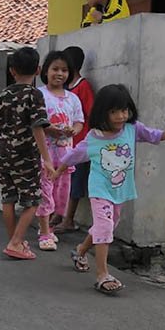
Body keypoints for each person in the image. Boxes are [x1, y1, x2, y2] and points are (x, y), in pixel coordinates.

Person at [52, 84, 165, 294]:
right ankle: (102, 274)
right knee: (104, 227)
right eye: (114, 111)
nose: (121, 116)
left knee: (107, 225)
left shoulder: (132, 129)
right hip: (100, 190)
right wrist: (56, 172)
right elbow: (72, 156)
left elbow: (153, 135)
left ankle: (81, 250)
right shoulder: (93, 138)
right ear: (103, 112)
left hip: (120, 190)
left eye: (124, 110)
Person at [0, 47, 55, 260]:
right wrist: (47, 159)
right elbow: (38, 127)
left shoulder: (3, 95)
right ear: (38, 70)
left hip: (3, 154)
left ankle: (15, 242)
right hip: (25, 156)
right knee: (33, 201)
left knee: (8, 198)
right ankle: (16, 242)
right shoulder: (34, 95)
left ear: (12, 71)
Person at [36, 50, 84, 251]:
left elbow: (79, 122)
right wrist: (50, 129)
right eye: (55, 69)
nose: (60, 74)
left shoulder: (73, 98)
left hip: (66, 156)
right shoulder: (39, 94)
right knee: (46, 192)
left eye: (64, 70)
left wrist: (74, 130)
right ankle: (45, 233)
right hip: (45, 154)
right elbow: (35, 123)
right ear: (45, 71)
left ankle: (50, 228)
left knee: (61, 195)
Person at [57, 45, 95, 234]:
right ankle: (59, 213)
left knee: (75, 182)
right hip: (65, 143)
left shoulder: (83, 87)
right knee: (63, 179)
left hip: (80, 143)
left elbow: (91, 113)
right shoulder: (67, 88)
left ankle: (69, 219)